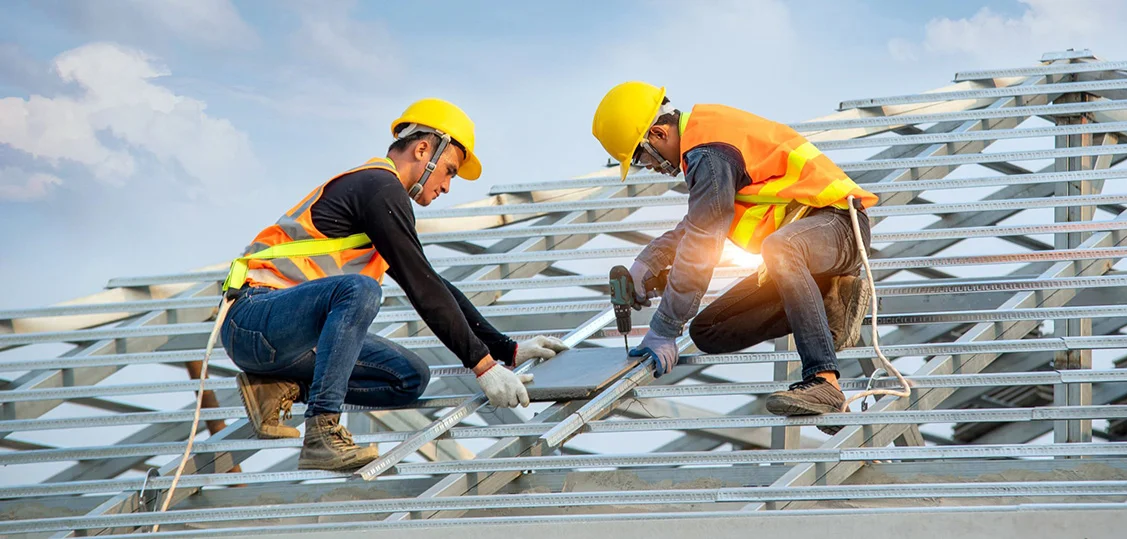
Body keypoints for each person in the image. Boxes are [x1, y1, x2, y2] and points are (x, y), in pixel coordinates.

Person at [223, 98, 568, 470]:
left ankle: (278, 388)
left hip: (287, 334)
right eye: (449, 171)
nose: (448, 186)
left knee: (408, 377)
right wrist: (482, 367)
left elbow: (430, 282)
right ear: (423, 149)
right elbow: (423, 288)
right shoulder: (378, 186)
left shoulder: (379, 197)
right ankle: (322, 430)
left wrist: (507, 350)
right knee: (360, 290)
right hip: (254, 318)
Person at [591, 82, 878, 435]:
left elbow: (702, 240)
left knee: (779, 249)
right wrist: (651, 260)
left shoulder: (707, 153)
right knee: (710, 330)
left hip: (838, 225)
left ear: (657, 133)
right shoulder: (704, 146)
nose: (646, 166)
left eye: (639, 156)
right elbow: (699, 223)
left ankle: (825, 381)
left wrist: (664, 327)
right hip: (805, 250)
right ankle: (831, 300)